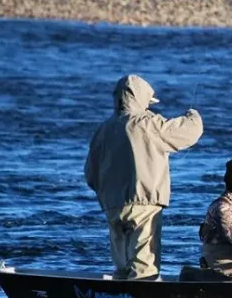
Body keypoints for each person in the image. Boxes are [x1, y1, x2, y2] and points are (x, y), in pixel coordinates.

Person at [85, 74, 203, 280]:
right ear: (139, 98)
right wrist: (194, 116)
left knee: (121, 268)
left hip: (112, 206)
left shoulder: (102, 129)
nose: (148, 106)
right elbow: (188, 132)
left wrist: (107, 195)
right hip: (144, 205)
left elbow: (90, 174)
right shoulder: (147, 123)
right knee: (143, 270)